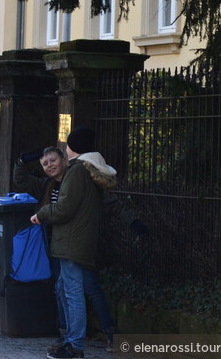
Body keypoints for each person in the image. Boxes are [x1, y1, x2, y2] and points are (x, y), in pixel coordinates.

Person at [15, 145, 148, 352]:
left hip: (76, 244)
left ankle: (109, 332)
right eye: (44, 163)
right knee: (61, 290)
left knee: (89, 287)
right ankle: (67, 335)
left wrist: (132, 222)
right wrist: (23, 162)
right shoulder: (46, 185)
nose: (49, 165)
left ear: (64, 160)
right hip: (56, 245)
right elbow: (21, 180)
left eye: (53, 160)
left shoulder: (80, 180)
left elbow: (111, 204)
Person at [31, 126, 117, 359]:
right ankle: (70, 340)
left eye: (67, 145)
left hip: (71, 241)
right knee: (65, 289)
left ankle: (75, 345)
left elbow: (65, 208)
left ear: (73, 147)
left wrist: (43, 213)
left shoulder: (78, 171)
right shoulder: (85, 169)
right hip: (72, 240)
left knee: (73, 293)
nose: (65, 149)